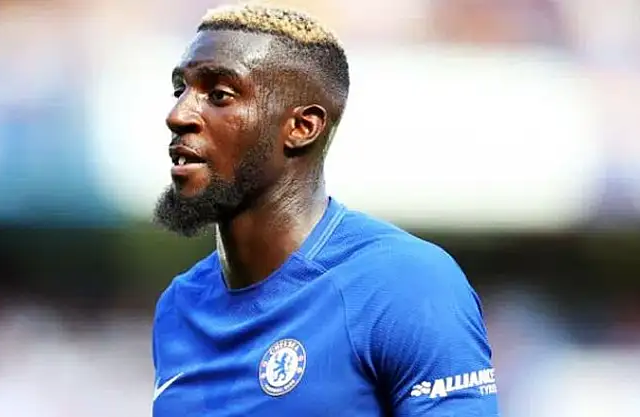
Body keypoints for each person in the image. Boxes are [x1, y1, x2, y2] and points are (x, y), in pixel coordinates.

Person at [151, 3, 500, 416]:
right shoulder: (179, 306)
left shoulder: (404, 285)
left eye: (219, 95)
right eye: (180, 90)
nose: (178, 115)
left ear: (302, 127)